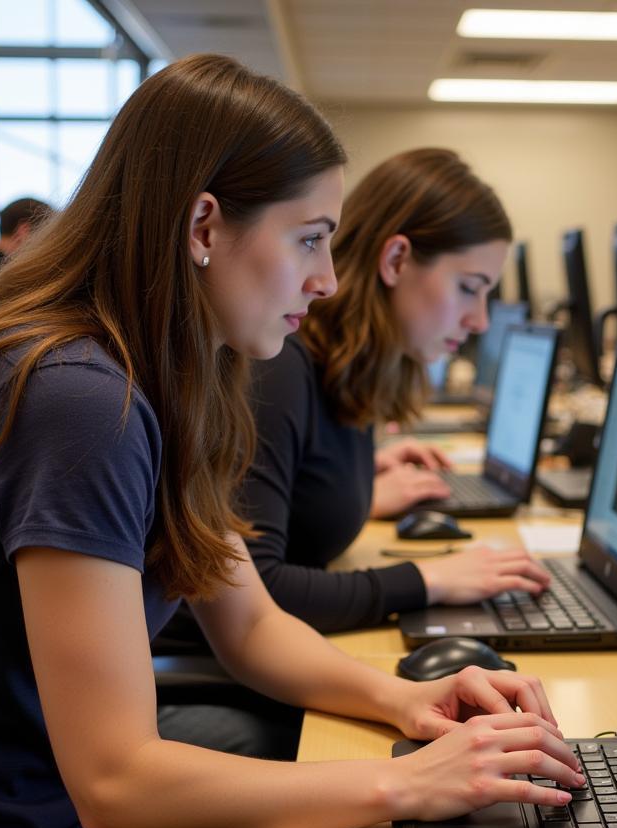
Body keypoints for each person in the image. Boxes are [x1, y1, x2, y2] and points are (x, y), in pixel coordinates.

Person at [0, 56, 582, 828]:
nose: (328, 279)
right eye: (308, 240)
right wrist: (397, 782)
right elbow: (116, 781)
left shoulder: (167, 375)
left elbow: (247, 621)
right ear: (204, 227)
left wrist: (408, 703)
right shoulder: (77, 398)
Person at [161, 148, 550, 648]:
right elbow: (262, 589)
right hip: (213, 670)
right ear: (396, 260)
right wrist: (428, 580)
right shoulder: (279, 367)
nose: (480, 320)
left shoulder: (348, 366)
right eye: (468, 288)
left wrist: (357, 484)